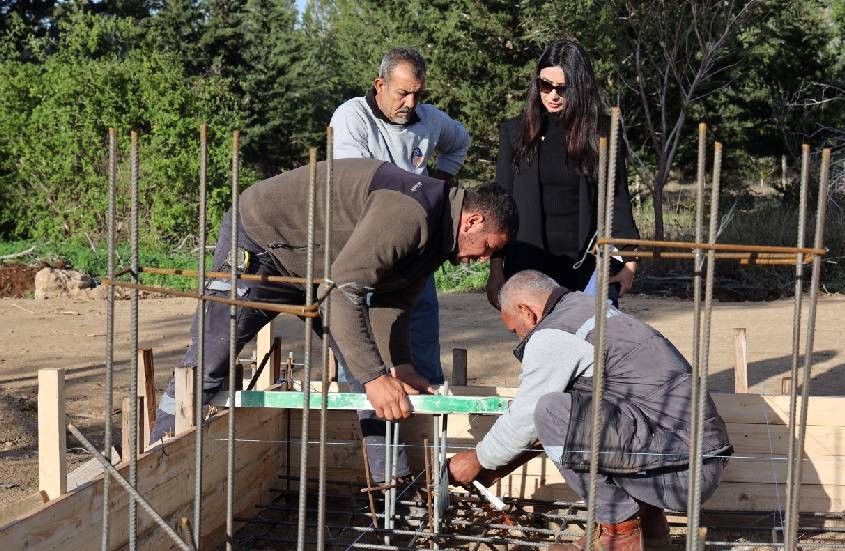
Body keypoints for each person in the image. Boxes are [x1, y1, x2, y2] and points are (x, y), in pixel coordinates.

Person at [149, 159, 517, 442]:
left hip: (321, 268)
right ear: (472, 221)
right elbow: (345, 290)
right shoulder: (411, 213)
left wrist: (398, 365)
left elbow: (394, 305)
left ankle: (392, 490)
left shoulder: (441, 239)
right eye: (489, 248)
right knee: (209, 361)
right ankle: (156, 455)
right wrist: (376, 376)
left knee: (364, 379)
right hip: (263, 242)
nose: (484, 260)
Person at [448, 270, 732, 551]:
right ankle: (650, 530)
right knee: (567, 411)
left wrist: (477, 458)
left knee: (551, 409)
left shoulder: (556, 334)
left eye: (516, 330)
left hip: (677, 473)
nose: (519, 339)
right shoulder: (589, 311)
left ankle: (618, 536)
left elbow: (529, 417)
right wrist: (501, 467)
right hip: (694, 464)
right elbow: (570, 430)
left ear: (527, 312)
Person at [329, 47, 472, 484]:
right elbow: (357, 180)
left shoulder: (431, 120)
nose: (409, 104)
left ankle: (427, 472)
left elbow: (459, 141)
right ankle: (383, 475)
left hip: (410, 254)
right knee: (362, 362)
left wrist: (438, 184)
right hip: (361, 253)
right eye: (401, 93)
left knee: (419, 349)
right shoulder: (353, 117)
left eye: (417, 94)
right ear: (379, 86)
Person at [487, 39, 640, 310]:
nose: (552, 95)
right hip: (529, 267)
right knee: (540, 345)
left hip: (586, 265)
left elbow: (617, 199)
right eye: (545, 85)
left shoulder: (601, 133)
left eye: (562, 88)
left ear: (579, 87)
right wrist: (496, 269)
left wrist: (630, 263)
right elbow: (503, 207)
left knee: (588, 343)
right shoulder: (515, 134)